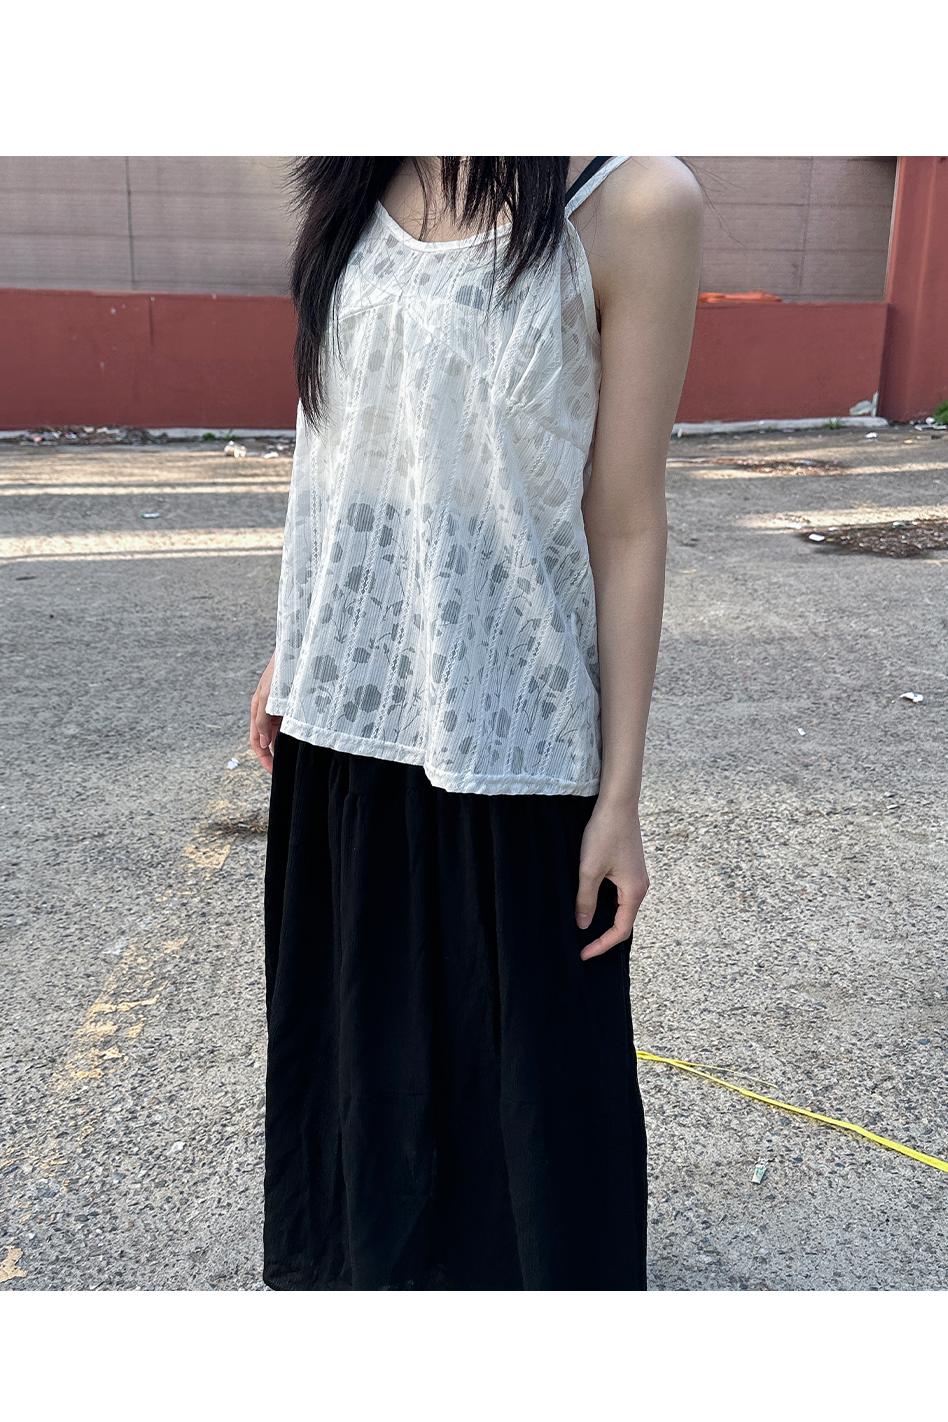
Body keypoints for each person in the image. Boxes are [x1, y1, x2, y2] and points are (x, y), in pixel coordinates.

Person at [250, 147, 703, 1291]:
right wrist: (295, 644)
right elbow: (352, 443)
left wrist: (619, 794)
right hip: (345, 724)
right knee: (361, 1071)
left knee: (532, 1115)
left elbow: (626, 519)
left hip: (512, 737)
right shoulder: (359, 174)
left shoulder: (633, 201)